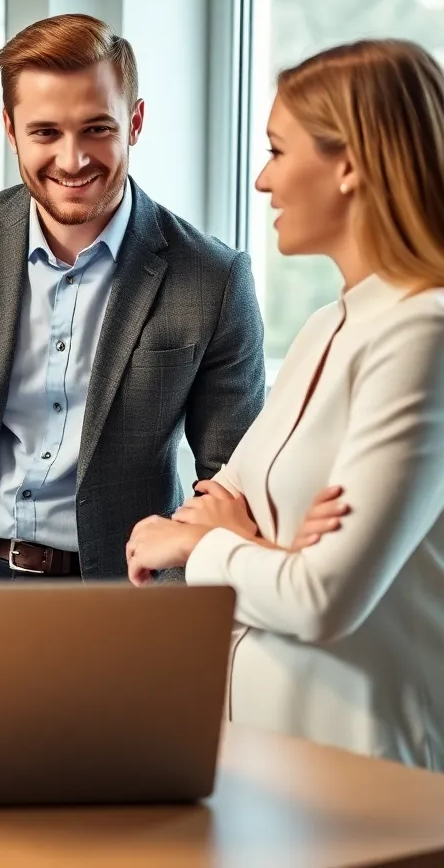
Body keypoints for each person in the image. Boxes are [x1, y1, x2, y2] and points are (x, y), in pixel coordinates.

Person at [126, 38, 444, 767]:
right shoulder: (327, 324)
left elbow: (320, 599)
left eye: (277, 149)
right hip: (269, 755)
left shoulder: (424, 336)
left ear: (351, 164)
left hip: (374, 773)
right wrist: (268, 546)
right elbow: (221, 493)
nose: (263, 180)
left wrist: (211, 542)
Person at [0, 14, 266, 582]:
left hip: (121, 589)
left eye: (97, 129)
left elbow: (229, 479)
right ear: (10, 130)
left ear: (134, 122)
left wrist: (178, 583)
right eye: (45, 133)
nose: (73, 159)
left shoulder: (213, 278)